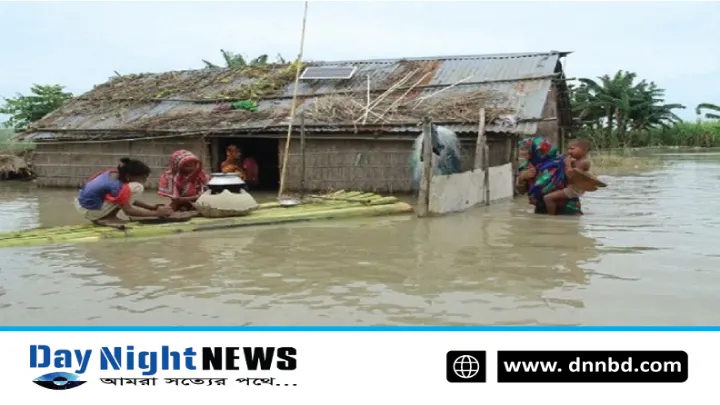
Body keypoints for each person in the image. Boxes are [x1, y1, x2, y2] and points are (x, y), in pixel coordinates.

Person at [75, 158, 172, 225]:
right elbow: (129, 211)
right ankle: (107, 218)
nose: (145, 181)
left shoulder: (114, 173)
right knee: (137, 187)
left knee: (130, 190)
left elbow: (125, 199)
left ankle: (105, 216)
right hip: (91, 211)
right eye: (143, 178)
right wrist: (157, 214)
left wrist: (151, 207)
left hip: (83, 206)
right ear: (129, 176)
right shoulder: (117, 186)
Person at [518, 137, 582, 216]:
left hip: (567, 208)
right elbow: (520, 192)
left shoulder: (562, 162)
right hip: (542, 208)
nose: (522, 152)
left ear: (537, 150)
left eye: (526, 149)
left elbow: (576, 184)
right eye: (521, 149)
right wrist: (522, 178)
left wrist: (568, 166)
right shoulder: (526, 166)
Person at [542, 139, 592, 215]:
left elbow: (571, 176)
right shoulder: (578, 160)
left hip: (574, 188)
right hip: (572, 186)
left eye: (572, 149)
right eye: (568, 149)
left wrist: (567, 164)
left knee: (548, 198)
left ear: (584, 150)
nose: (569, 151)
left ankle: (551, 218)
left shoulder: (583, 162)